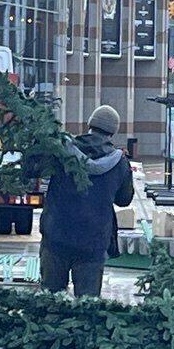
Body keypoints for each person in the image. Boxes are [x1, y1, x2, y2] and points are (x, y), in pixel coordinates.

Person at [38, 105, 135, 299]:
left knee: (50, 301)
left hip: (56, 237)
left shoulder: (63, 151)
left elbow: (37, 169)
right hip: (93, 242)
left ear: (89, 124)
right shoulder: (119, 162)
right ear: (113, 132)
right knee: (87, 306)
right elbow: (124, 200)